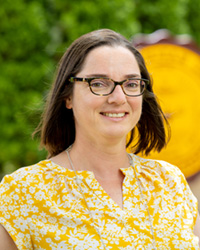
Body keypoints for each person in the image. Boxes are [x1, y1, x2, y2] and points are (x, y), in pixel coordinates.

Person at [0, 29, 199, 250]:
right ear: (68, 96)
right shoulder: (24, 193)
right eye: (99, 83)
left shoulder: (169, 182)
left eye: (131, 84)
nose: (118, 98)